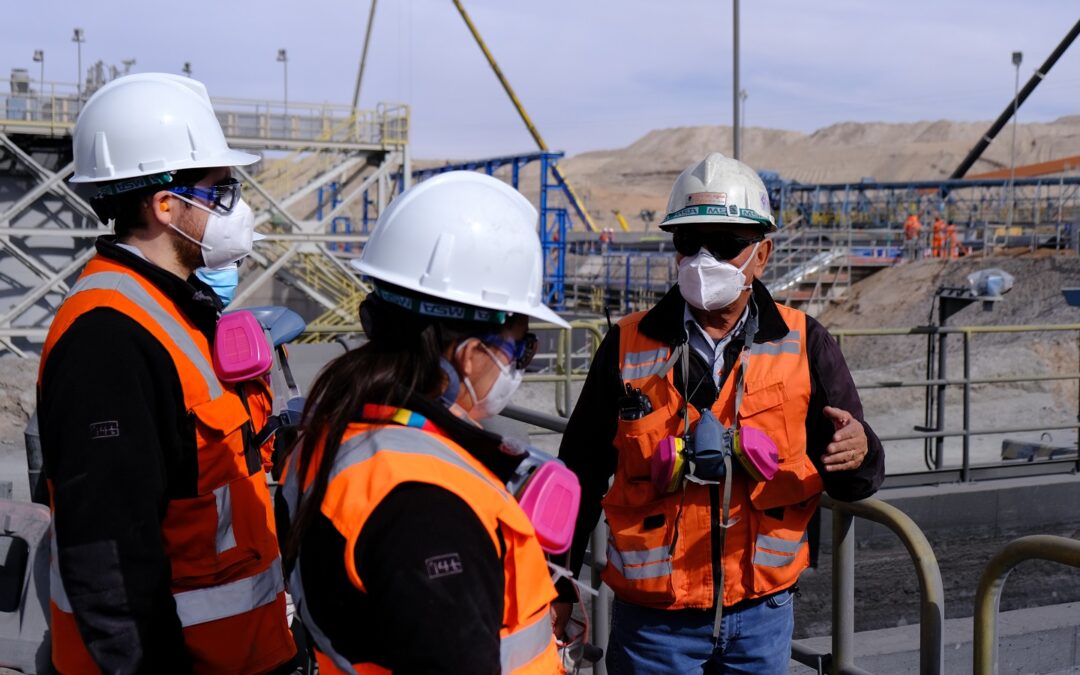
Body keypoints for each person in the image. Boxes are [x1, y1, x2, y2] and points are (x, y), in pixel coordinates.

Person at [552, 152, 885, 673]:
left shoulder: (805, 342)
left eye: (726, 245)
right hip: (653, 624)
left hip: (762, 616)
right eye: (690, 242)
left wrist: (860, 450)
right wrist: (558, 581)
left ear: (763, 253)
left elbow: (854, 474)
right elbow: (580, 470)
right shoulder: (625, 344)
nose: (704, 259)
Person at [37, 73, 296, 673]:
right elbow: (109, 562)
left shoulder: (172, 308)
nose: (237, 207)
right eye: (220, 190)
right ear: (165, 205)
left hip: (240, 655)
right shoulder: (109, 340)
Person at [280, 171, 574, 673]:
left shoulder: (338, 428)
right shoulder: (427, 507)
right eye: (522, 347)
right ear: (469, 355)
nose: (521, 363)